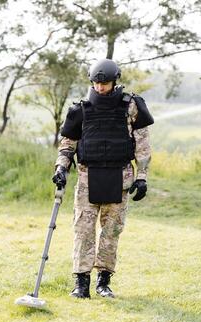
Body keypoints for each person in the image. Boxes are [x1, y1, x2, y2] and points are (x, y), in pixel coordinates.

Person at [52, 58, 153, 298]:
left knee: (111, 232)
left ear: (114, 81)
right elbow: (68, 145)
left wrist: (142, 177)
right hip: (88, 177)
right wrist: (61, 168)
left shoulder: (131, 106)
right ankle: (81, 283)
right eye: (96, 84)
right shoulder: (81, 109)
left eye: (105, 83)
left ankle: (104, 282)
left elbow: (142, 144)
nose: (100, 88)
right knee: (83, 230)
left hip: (120, 177)